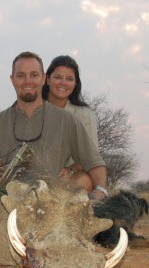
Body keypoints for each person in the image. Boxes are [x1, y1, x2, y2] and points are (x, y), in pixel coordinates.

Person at [0, 51, 108, 200]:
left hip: (52, 204)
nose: (28, 81)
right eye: (21, 76)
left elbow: (94, 162)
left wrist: (100, 190)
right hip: (7, 204)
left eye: (34, 75)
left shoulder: (67, 120)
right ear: (12, 79)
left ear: (43, 78)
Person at [42, 55, 98, 191]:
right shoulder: (32, 110)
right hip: (36, 175)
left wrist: (70, 170)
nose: (63, 83)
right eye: (58, 77)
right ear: (47, 79)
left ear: (75, 84)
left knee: (83, 181)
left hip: (68, 177)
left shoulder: (85, 114)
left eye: (69, 79)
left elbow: (91, 158)